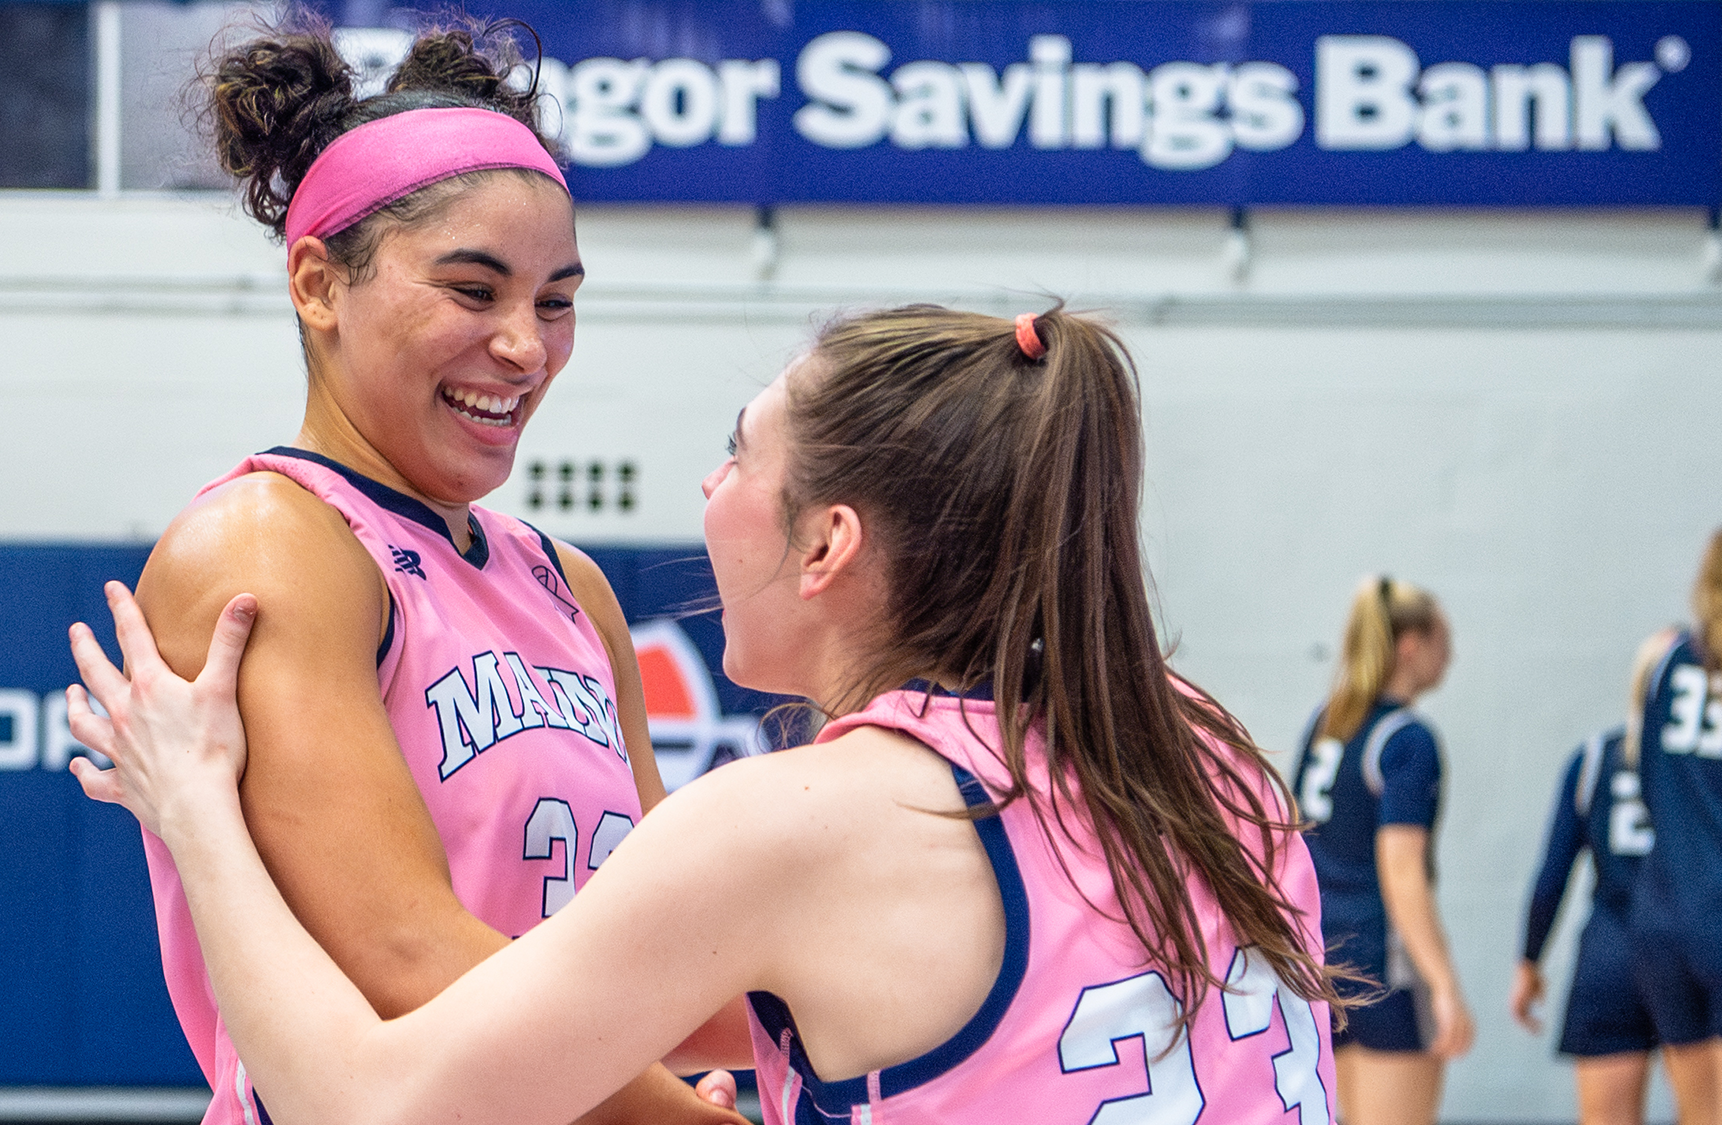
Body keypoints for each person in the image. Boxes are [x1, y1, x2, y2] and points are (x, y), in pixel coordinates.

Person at [65, 303, 1342, 1125]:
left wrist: (196, 817)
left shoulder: (809, 822)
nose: (706, 486)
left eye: (736, 456)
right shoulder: (1201, 751)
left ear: (826, 544)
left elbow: (370, 1108)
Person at [126, 20, 735, 1125]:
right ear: (318, 284)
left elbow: (660, 949)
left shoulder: (568, 583)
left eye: (556, 301)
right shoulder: (271, 542)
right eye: (473, 289)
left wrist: (873, 1016)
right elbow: (401, 960)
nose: (525, 346)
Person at [1290, 576, 1471, 1125]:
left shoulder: (1328, 721)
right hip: (1380, 964)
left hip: (1317, 958)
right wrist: (1444, 987)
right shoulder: (1407, 739)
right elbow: (1402, 873)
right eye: (1444, 639)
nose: (1452, 654)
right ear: (1411, 643)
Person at [1509, 673, 1659, 1125]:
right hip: (1691, 955)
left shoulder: (1595, 757)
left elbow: (1552, 875)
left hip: (1610, 955)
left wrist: (1529, 960)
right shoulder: (1701, 765)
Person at [1628, 528, 1722, 1125]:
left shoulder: (1663, 658)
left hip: (1660, 917)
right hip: (1714, 909)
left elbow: (1643, 772)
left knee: (1697, 1109)